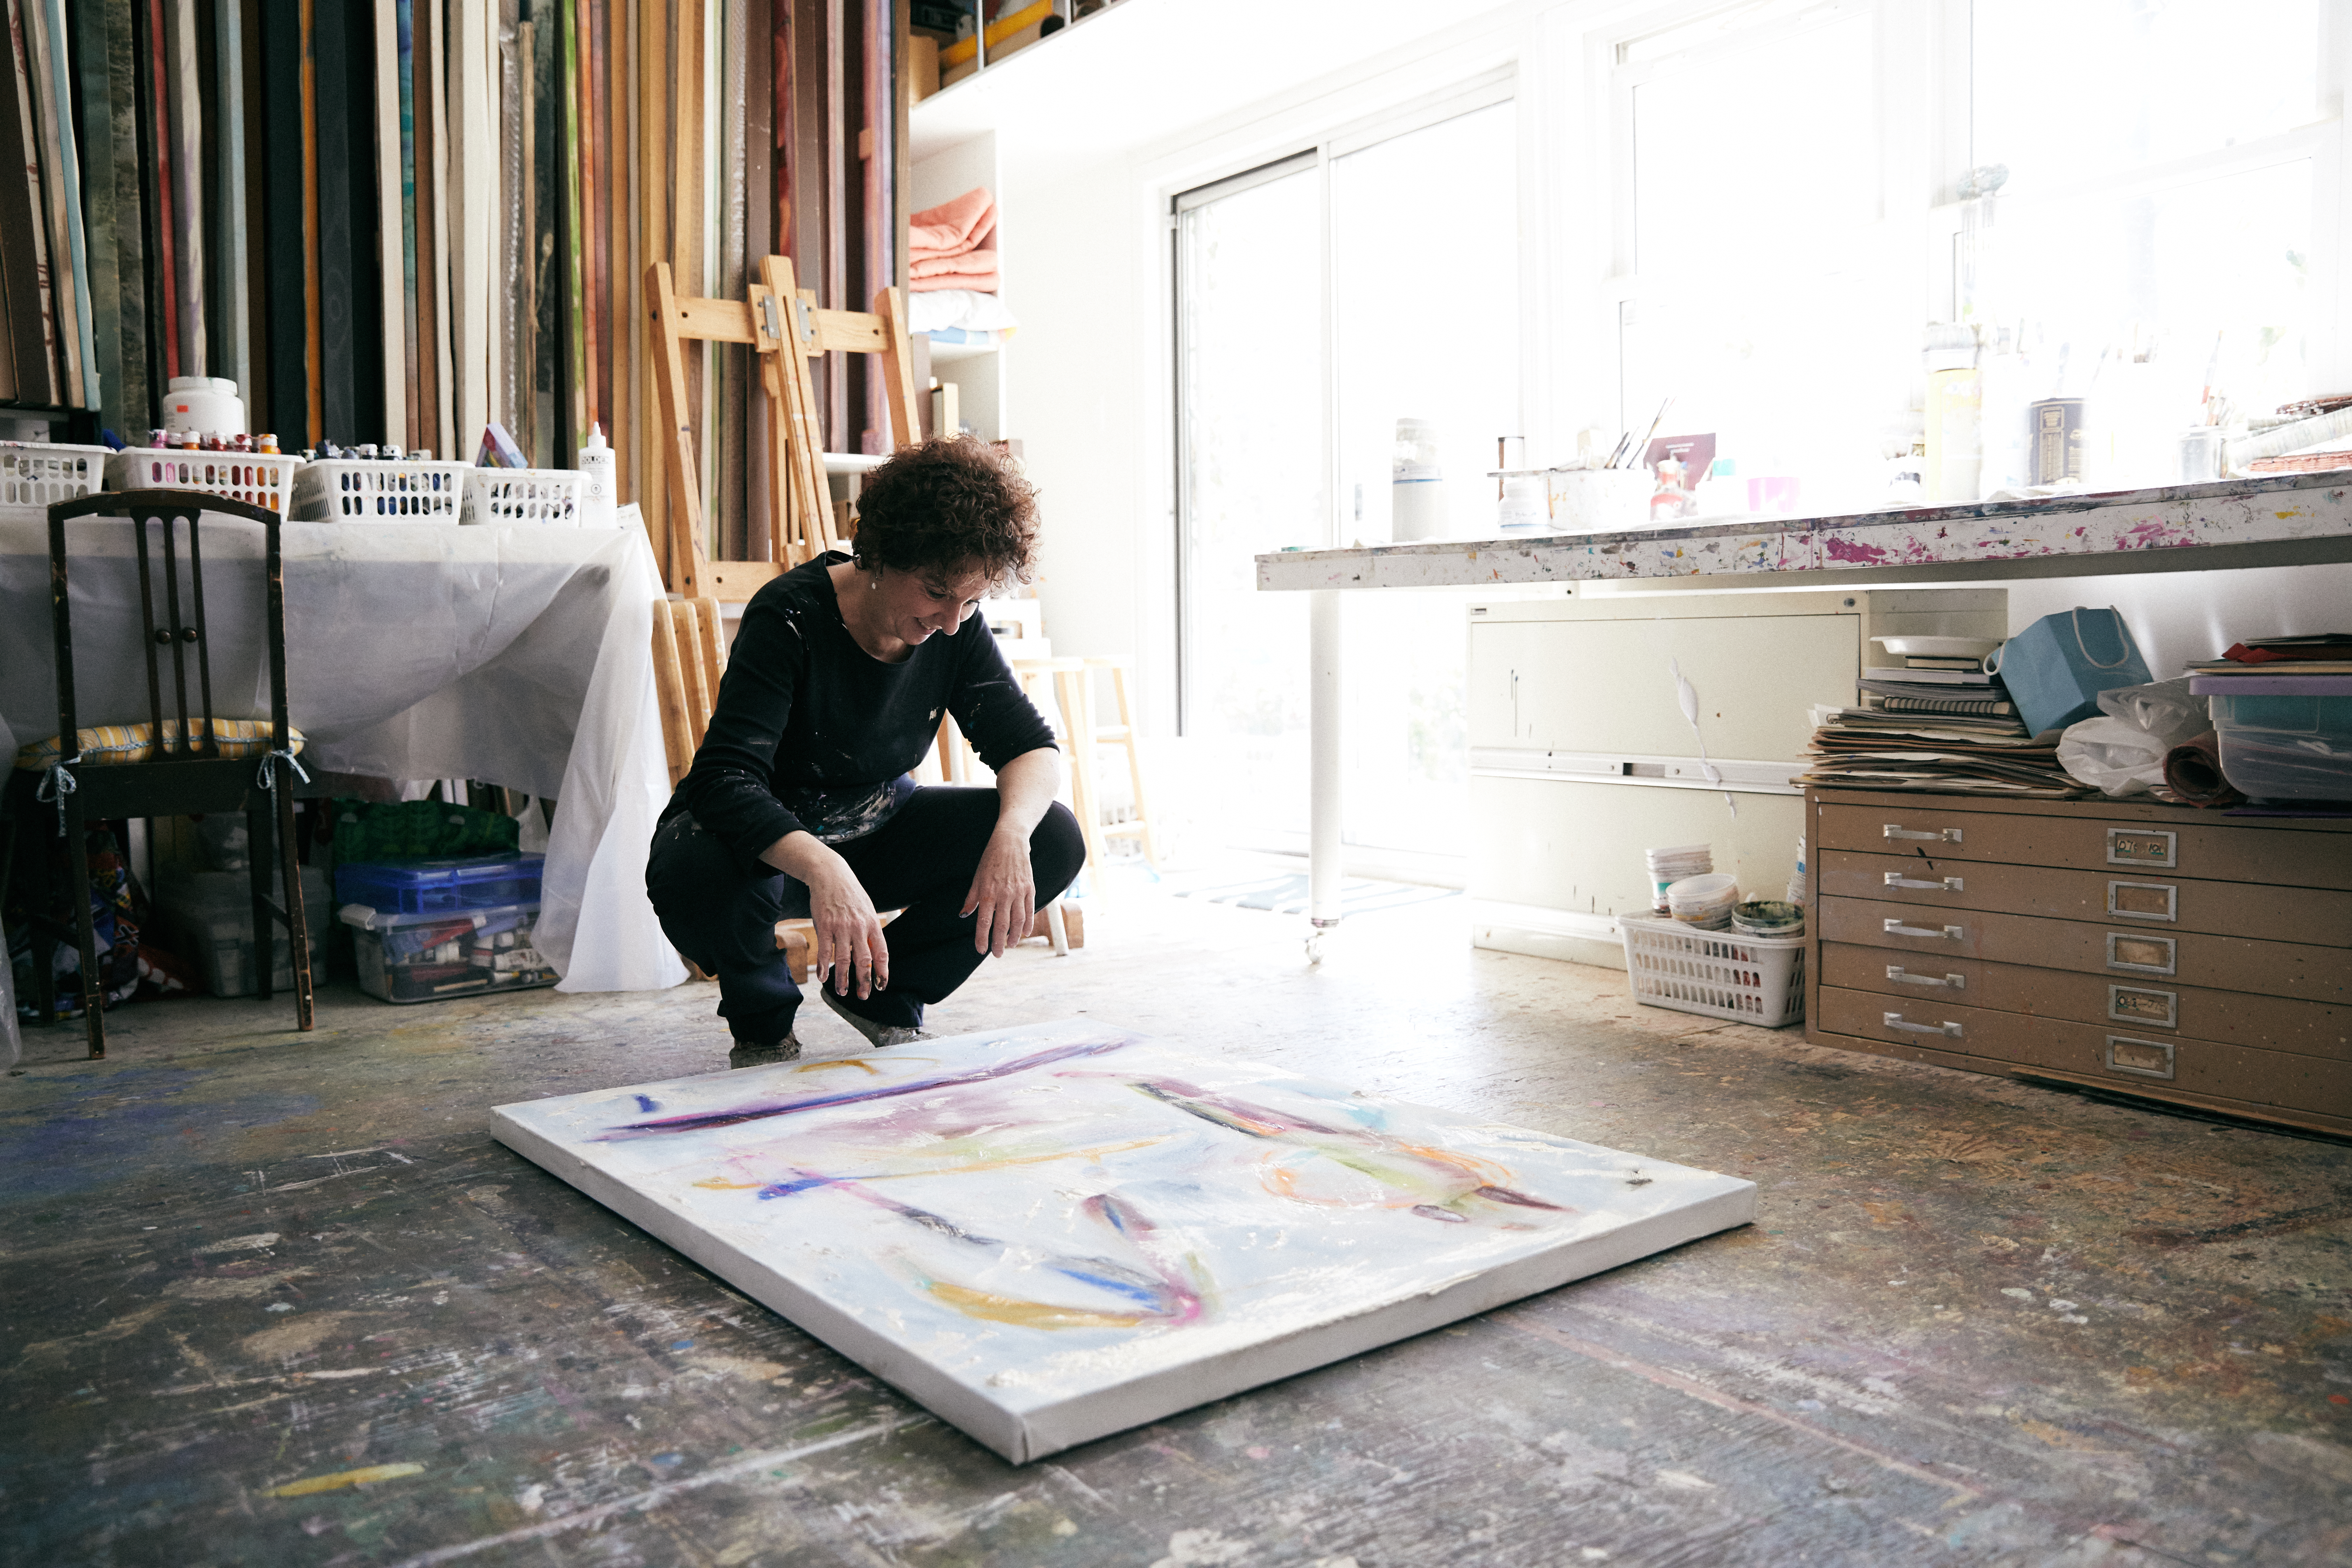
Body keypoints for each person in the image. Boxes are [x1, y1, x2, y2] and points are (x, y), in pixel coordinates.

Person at [645, 437, 1085, 1066]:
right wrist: (824, 869)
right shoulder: (790, 616)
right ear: (882, 555)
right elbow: (725, 780)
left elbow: (1031, 746)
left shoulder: (953, 626)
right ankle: (764, 1027)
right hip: (762, 848)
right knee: (696, 864)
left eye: (973, 601)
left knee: (1053, 836)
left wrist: (1013, 834)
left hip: (874, 825)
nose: (953, 620)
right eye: (937, 592)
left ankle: (884, 995)